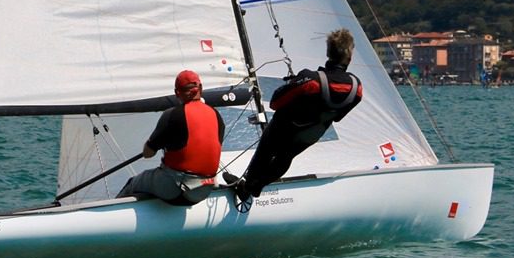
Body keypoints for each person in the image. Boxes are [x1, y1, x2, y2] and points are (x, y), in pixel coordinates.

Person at [234, 28, 363, 203]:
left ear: (328, 53)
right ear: (350, 57)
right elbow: (338, 117)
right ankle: (256, 186)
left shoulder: (310, 79)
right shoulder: (356, 87)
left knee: (267, 149)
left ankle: (247, 186)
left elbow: (275, 103)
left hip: (285, 129)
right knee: (285, 157)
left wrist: (294, 83)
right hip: (311, 135)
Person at [117, 70, 225, 204]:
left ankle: (113, 213)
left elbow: (148, 153)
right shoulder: (216, 115)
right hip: (203, 191)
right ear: (201, 89)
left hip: (175, 190)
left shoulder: (172, 114)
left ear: (177, 93)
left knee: (133, 183)